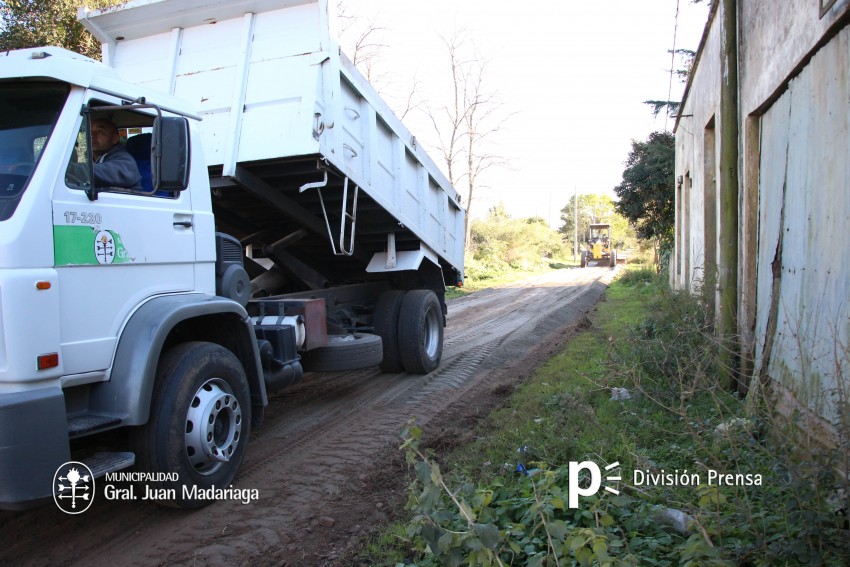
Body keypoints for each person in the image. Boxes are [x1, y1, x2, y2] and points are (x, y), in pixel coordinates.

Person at [90, 118, 143, 191]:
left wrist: (72, 170)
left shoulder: (126, 161)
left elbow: (106, 172)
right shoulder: (90, 158)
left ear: (115, 138)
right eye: (90, 131)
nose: (92, 135)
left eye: (99, 131)